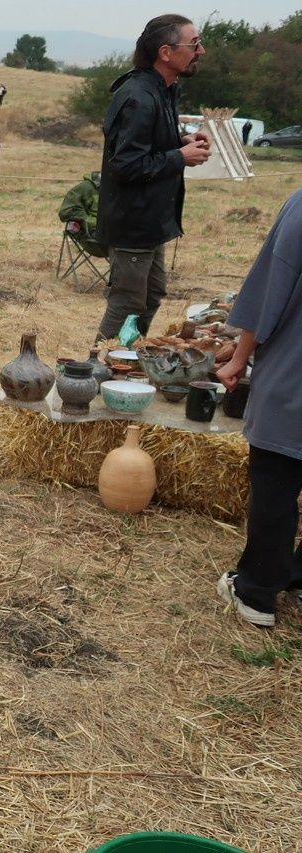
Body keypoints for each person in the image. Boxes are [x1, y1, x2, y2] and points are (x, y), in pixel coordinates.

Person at [214, 190, 302, 629]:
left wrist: (238, 356)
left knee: (276, 480)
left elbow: (270, 292)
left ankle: (257, 593)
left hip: (295, 376)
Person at [95, 14, 211, 342]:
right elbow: (126, 165)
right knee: (128, 301)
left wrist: (180, 143)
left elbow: (148, 146)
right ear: (165, 52)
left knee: (151, 295)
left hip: (151, 222)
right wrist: (179, 157)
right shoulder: (139, 97)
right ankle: (94, 370)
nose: (200, 50)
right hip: (132, 222)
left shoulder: (163, 90)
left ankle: (125, 361)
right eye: (194, 44)